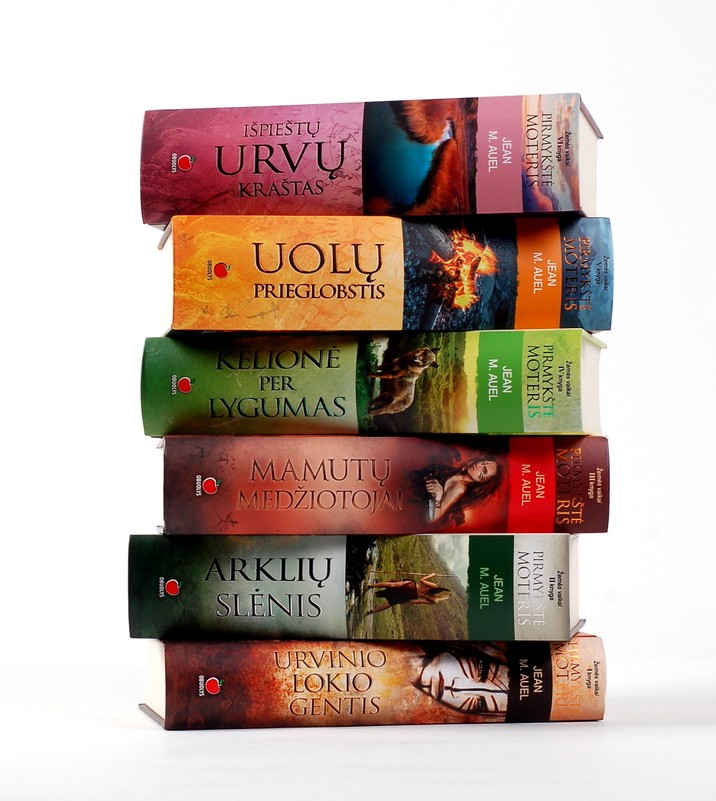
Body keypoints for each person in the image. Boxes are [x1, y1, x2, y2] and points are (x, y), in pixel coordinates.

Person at [422, 455, 504, 526]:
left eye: (484, 470)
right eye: (482, 462)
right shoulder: (456, 473)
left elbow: (433, 518)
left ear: (484, 482)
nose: (478, 465)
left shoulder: (459, 489)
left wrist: (438, 495)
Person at [366, 572, 452, 615]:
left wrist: (432, 575)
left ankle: (371, 586)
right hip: (412, 595)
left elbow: (422, 580)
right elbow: (417, 602)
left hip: (412, 586)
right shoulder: (435, 601)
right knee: (390, 602)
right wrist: (405, 602)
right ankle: (371, 611)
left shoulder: (434, 586)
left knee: (392, 585)